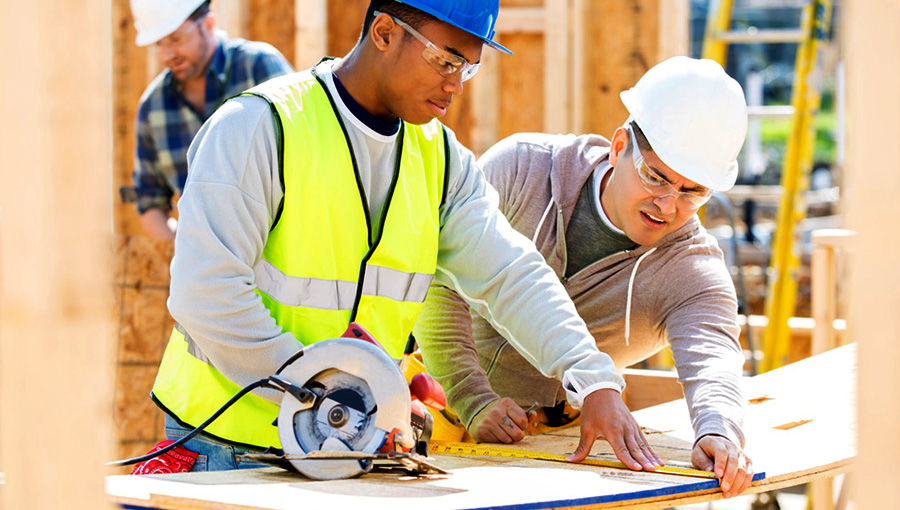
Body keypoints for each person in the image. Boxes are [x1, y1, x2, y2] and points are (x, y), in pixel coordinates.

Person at [151, 0, 664, 473]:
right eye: (446, 61)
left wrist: (591, 377)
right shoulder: (259, 127)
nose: (456, 85)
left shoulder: (439, 158)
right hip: (225, 445)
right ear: (384, 32)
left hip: (347, 445)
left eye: (468, 67)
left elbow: (509, 273)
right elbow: (207, 294)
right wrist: (331, 390)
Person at [414, 56, 755, 498]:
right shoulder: (523, 171)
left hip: (557, 440)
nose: (667, 205)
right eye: (655, 177)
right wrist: (470, 395)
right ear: (619, 146)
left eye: (692, 192)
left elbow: (713, 358)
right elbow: (438, 278)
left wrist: (719, 430)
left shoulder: (690, 272)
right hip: (435, 405)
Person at [129, 0, 294, 240]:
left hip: (280, 246)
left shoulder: (259, 67)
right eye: (159, 44)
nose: (166, 55)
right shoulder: (153, 106)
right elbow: (149, 200)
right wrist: (190, 251)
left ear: (208, 23)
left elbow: (306, 156)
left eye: (175, 39)